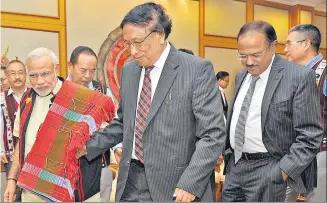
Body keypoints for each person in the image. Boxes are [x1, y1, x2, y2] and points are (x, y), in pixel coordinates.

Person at [76, 2, 227, 202]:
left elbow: (213, 134)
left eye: (138, 42)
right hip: (131, 180)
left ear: (160, 35)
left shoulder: (195, 69)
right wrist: (89, 146)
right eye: (127, 43)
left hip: (175, 184)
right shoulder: (130, 72)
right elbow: (124, 123)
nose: (132, 51)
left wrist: (190, 182)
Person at [222, 21, 323, 202]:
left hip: (270, 169)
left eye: (256, 55)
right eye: (242, 56)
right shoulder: (241, 75)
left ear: (273, 47)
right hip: (236, 167)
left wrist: (282, 171)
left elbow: (310, 134)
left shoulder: (298, 76)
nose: (249, 62)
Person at [3, 47, 115, 202]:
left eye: (45, 74)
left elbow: (110, 135)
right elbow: (20, 143)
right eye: (33, 76)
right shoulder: (26, 99)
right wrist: (12, 179)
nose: (40, 81)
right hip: (32, 191)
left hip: (73, 192)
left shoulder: (81, 97)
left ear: (56, 69)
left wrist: (84, 148)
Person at [68, 45, 122, 202]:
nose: (87, 76)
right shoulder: (59, 91)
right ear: (70, 66)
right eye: (83, 70)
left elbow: (115, 124)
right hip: (67, 165)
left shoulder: (103, 92)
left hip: (99, 161)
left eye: (92, 71)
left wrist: (118, 148)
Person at [284, 24, 327, 202]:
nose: (285, 49)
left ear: (305, 44)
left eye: (288, 43)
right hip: (292, 153)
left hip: (320, 152)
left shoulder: (324, 71)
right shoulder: (291, 74)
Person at [0, 60, 27, 202]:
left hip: (33, 153)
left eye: (20, 72)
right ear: (7, 76)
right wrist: (1, 150)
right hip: (11, 154)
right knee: (14, 191)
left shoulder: (33, 95)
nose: (17, 77)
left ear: (26, 74)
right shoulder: (2, 98)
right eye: (13, 73)